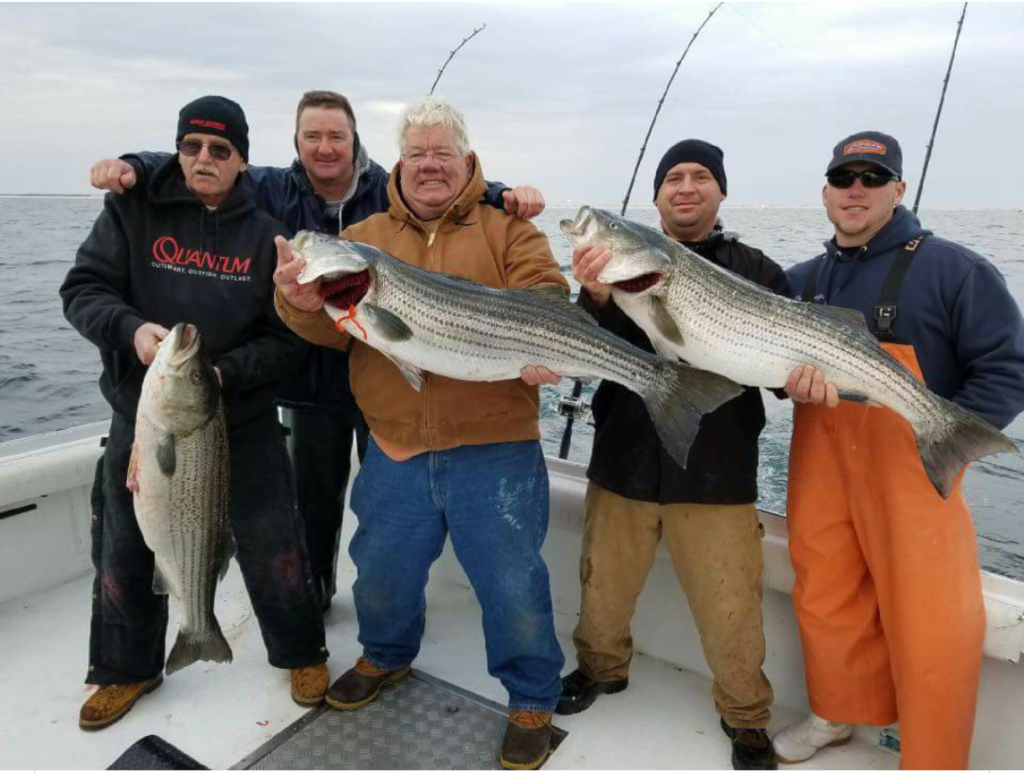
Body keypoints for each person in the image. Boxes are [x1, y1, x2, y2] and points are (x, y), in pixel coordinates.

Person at [89, 91, 546, 612]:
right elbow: (204, 164)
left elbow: (449, 181)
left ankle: (392, 604)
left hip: (381, 375)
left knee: (389, 507)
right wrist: (136, 166)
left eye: (337, 136)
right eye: (312, 137)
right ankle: (316, 599)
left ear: (357, 142)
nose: (325, 148)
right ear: (296, 143)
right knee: (314, 501)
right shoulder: (268, 186)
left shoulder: (387, 187)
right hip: (305, 376)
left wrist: (506, 193)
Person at [273, 96, 566, 771]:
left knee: (512, 581)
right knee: (381, 572)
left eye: (442, 152)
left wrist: (547, 340)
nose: (429, 165)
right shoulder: (366, 237)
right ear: (396, 163)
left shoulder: (508, 230)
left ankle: (530, 695)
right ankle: (385, 655)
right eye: (416, 153)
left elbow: (547, 293)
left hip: (495, 445)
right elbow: (328, 331)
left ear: (466, 161)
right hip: (396, 442)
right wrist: (295, 301)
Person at [60, 96, 329, 730]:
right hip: (147, 418)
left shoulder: (267, 236)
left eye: (219, 150)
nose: (203, 159)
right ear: (177, 150)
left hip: (244, 420)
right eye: (191, 147)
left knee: (276, 544)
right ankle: (127, 668)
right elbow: (82, 290)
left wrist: (222, 373)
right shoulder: (133, 208)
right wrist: (131, 332)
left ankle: (300, 652)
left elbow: (288, 338)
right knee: (125, 550)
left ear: (241, 161)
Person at [773, 131, 1024, 769]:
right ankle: (834, 715)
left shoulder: (956, 269)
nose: (856, 189)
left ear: (899, 190)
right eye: (844, 177)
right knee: (825, 593)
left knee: (930, 619)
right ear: (825, 191)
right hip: (819, 464)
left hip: (916, 466)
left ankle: (935, 756)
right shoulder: (802, 280)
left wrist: (952, 440)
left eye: (872, 178)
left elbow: (1006, 368)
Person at [563, 140, 787, 770]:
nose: (686, 187)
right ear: (656, 197)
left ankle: (746, 717)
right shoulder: (607, 266)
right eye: (673, 179)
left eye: (700, 177)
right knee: (601, 587)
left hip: (716, 469)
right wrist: (596, 297)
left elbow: (774, 372)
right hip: (624, 456)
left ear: (721, 192)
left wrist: (800, 373)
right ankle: (601, 670)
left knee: (731, 605)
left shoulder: (759, 269)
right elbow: (585, 349)